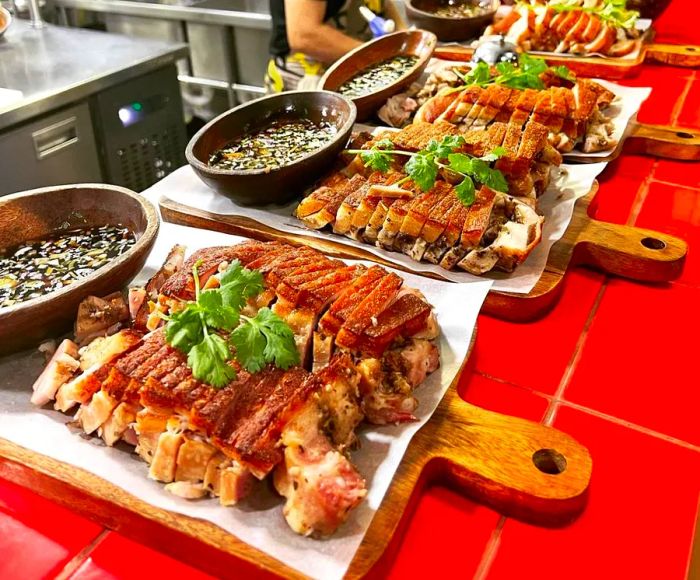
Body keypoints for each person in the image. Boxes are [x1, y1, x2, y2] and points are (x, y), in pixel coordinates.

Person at [266, 0, 387, 92]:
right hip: (307, 79)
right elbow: (305, 36)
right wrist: (379, 55)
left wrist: (402, 37)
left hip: (360, 67)